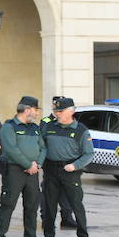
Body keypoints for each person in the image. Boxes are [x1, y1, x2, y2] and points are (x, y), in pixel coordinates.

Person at [0, 96, 47, 237]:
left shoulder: (35, 128)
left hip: (33, 172)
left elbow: (43, 148)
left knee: (32, 205)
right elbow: (11, 149)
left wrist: (37, 164)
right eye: (36, 110)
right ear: (27, 110)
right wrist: (28, 164)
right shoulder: (9, 127)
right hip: (14, 170)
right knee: (8, 204)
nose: (37, 113)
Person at [41, 97, 93, 237]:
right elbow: (41, 146)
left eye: (60, 111)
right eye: (55, 111)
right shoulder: (49, 127)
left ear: (71, 111)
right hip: (51, 170)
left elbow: (89, 154)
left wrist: (75, 166)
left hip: (70, 171)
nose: (57, 114)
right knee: (49, 206)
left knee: (76, 205)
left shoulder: (81, 130)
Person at [41, 97, 77, 229]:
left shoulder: (70, 122)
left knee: (67, 192)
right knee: (48, 193)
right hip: (51, 163)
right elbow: (42, 142)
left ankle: (67, 218)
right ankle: (46, 219)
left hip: (67, 163)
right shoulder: (46, 122)